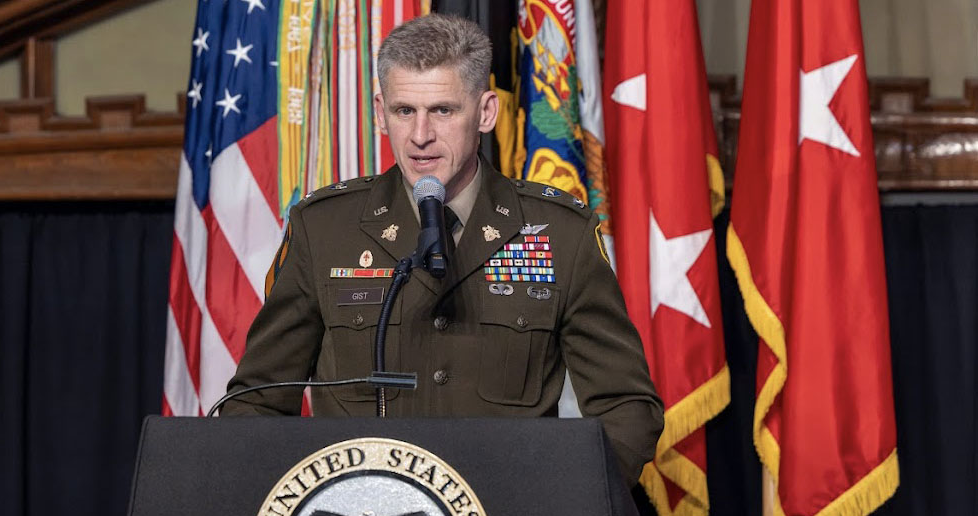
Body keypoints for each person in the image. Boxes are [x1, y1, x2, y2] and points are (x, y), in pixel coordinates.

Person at [221, 14, 663, 486]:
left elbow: (628, 409)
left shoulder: (560, 234)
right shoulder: (324, 229)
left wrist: (563, 506)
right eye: (404, 111)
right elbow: (256, 402)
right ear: (379, 111)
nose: (420, 136)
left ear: (486, 112)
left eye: (444, 111)